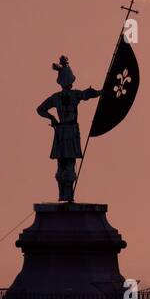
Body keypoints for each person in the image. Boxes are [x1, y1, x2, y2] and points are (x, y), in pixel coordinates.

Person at [36, 56, 100, 201]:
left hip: (61, 131)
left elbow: (40, 109)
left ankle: (63, 194)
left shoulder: (56, 97)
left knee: (61, 164)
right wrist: (101, 92)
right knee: (69, 163)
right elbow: (87, 94)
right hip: (70, 131)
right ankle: (67, 194)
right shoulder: (74, 95)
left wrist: (52, 118)